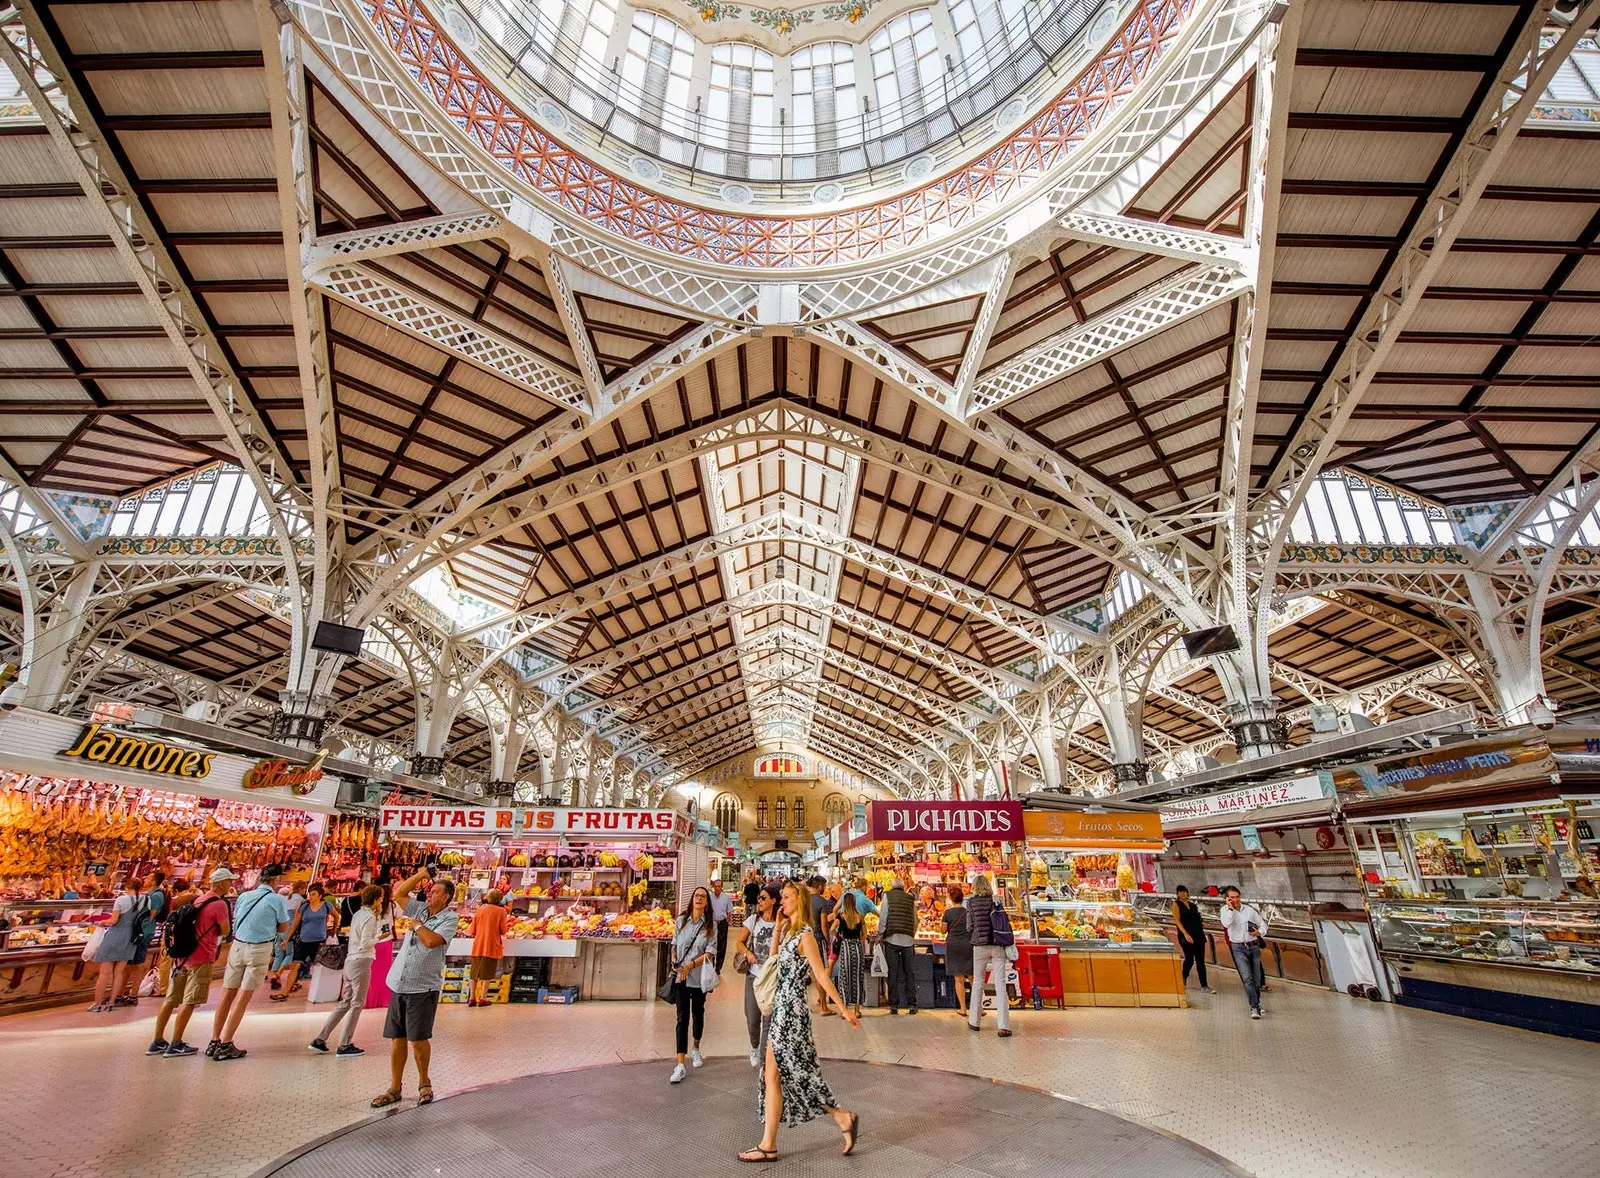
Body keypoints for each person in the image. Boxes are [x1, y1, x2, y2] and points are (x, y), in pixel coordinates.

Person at [737, 881, 861, 1163]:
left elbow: (821, 975)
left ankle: (842, 1116)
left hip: (793, 1012)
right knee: (771, 1076)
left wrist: (843, 1008)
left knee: (798, 1073)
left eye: (787, 898)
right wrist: (778, 928)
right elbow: (772, 964)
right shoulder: (790, 932)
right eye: (782, 897)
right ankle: (768, 1144)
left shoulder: (805, 935)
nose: (782, 901)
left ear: (800, 902)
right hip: (780, 1007)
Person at [372, 867, 460, 1107]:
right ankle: (395, 1087)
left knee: (418, 1039)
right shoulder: (420, 909)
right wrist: (421, 875)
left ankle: (424, 1083)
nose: (429, 895)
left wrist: (417, 926)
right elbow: (399, 894)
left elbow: (432, 942)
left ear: (446, 897)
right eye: (429, 891)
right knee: (397, 1038)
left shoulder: (449, 918)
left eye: (434, 892)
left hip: (423, 987)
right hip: (400, 982)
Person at [209, 864, 291, 1060]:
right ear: (276, 880)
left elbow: (237, 920)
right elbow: (282, 928)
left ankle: (214, 1040)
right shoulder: (277, 899)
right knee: (243, 996)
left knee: (227, 993)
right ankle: (226, 1043)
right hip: (258, 948)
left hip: (238, 946)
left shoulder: (244, 896)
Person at [147, 867, 232, 1058]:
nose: (230, 885)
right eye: (228, 881)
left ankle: (157, 1040)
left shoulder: (198, 899)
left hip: (183, 956)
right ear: (220, 883)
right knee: (190, 1000)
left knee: (171, 999)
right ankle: (176, 1042)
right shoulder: (219, 904)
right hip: (202, 955)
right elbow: (225, 930)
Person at [311, 883, 384, 1056]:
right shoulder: (370, 917)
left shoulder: (358, 914)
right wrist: (381, 936)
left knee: (345, 1002)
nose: (381, 901)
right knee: (357, 1004)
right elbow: (366, 942)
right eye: (380, 898)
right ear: (375, 900)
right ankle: (344, 1044)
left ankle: (320, 1038)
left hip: (350, 960)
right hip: (361, 960)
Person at [667, 885, 717, 1084]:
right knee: (681, 1018)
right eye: (696, 896)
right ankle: (680, 1063)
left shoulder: (710, 926)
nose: (699, 899)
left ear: (706, 903)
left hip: (698, 978)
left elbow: (710, 952)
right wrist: (674, 958)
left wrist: (691, 964)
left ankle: (696, 1047)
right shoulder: (681, 921)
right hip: (681, 977)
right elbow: (674, 943)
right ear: (692, 899)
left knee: (698, 1012)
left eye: (703, 897)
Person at [733, 882, 780, 1067]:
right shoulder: (753, 920)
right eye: (759, 898)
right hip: (754, 976)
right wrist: (747, 953)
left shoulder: (782, 922)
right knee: (752, 1018)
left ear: (773, 901)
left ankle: (763, 1060)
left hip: (772, 978)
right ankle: (754, 1046)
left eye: (763, 898)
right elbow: (739, 942)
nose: (759, 901)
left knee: (768, 1020)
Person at [87, 875, 146, 1013]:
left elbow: (113, 920)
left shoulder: (121, 899)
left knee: (104, 973)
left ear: (127, 886)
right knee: (119, 972)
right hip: (131, 938)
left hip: (115, 936)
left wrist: (102, 922)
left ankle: (97, 1004)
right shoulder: (145, 899)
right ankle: (111, 1003)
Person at [966, 875, 1011, 1037]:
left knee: (978, 982)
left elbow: (968, 926)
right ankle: (1004, 1025)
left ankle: (974, 1021)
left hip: (979, 945)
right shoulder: (996, 900)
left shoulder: (971, 902)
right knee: (1000, 983)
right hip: (997, 943)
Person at [273, 883, 334, 1001]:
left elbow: (335, 916)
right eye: (310, 894)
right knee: (295, 966)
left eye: (314, 894)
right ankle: (285, 992)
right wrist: (287, 939)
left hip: (319, 941)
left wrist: (333, 930)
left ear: (320, 895)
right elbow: (295, 924)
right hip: (304, 940)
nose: (310, 897)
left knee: (319, 966)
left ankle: (321, 991)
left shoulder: (326, 906)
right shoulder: (304, 907)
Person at [1220, 886, 1268, 1019]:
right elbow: (1226, 924)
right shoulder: (1224, 911)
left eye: (1237, 897)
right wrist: (1230, 909)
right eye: (1232, 898)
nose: (1235, 900)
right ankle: (1254, 1006)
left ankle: (1256, 1002)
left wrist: (1259, 932)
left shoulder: (1249, 910)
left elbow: (1263, 924)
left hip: (1253, 946)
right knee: (1247, 977)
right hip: (1238, 947)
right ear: (1227, 899)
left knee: (1256, 979)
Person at [878, 877, 917, 1015]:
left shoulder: (887, 896)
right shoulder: (910, 899)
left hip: (892, 939)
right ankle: (912, 1004)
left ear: (893, 886)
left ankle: (894, 1005)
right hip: (908, 941)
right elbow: (915, 919)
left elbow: (884, 917)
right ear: (903, 886)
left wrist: (880, 935)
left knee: (893, 972)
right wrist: (912, 934)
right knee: (909, 972)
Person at [467, 888, 510, 1007]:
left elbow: (472, 929)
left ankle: (472, 998)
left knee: (474, 972)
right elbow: (503, 930)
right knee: (487, 972)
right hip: (491, 944)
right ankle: (483, 998)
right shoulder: (501, 911)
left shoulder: (480, 909)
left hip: (478, 943)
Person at [1172, 885, 1213, 994]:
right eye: (1180, 892)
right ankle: (1183, 976)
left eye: (1184, 891)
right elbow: (1177, 921)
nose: (1183, 894)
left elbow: (1198, 919)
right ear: (1177, 894)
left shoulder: (1193, 905)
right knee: (1189, 959)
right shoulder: (1176, 905)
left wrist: (1203, 925)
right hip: (1185, 936)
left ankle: (1204, 985)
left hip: (1198, 935)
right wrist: (1185, 934)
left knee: (1200, 961)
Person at [832, 892, 866, 1018]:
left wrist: (838, 936)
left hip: (845, 948)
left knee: (844, 978)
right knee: (858, 978)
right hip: (857, 948)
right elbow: (864, 935)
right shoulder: (860, 917)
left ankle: (845, 1009)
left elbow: (832, 929)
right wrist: (857, 938)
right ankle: (857, 1010)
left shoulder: (841, 917)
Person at [941, 883, 973, 1016]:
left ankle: (963, 1008)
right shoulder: (968, 912)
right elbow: (971, 928)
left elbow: (943, 930)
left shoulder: (948, 913)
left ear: (950, 898)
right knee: (972, 977)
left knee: (958, 978)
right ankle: (979, 1008)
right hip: (968, 944)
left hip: (953, 945)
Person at [805, 875, 836, 1015]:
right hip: (818, 939)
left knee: (804, 974)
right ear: (820, 886)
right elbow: (824, 925)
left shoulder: (804, 900)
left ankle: (804, 1006)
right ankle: (823, 1007)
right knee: (820, 973)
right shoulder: (822, 902)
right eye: (824, 886)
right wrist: (828, 942)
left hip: (804, 939)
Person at [709, 877, 736, 973]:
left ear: (722, 887)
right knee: (711, 944)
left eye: (719, 886)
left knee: (722, 945)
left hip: (722, 923)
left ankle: (718, 967)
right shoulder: (710, 898)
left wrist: (727, 921)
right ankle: (711, 965)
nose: (717, 888)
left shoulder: (726, 898)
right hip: (712, 923)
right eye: (715, 886)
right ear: (713, 887)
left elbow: (729, 912)